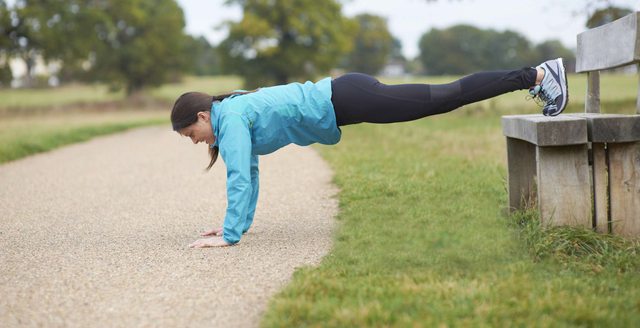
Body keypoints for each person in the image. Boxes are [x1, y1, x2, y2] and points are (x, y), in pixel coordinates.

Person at [171, 58, 569, 248]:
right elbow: (249, 174)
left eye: (192, 133)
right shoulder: (231, 117)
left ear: (203, 115)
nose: (196, 141)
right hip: (347, 96)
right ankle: (535, 76)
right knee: (442, 98)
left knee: (444, 97)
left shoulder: (233, 118)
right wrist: (234, 227)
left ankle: (535, 75)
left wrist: (229, 235)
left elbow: (239, 175)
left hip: (348, 97)